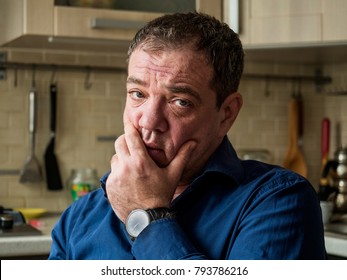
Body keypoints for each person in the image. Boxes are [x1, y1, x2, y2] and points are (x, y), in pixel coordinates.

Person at [49, 12, 326, 260]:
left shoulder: (280, 202)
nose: (149, 121)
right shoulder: (78, 217)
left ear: (226, 114)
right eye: (138, 94)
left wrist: (147, 217)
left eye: (180, 101)